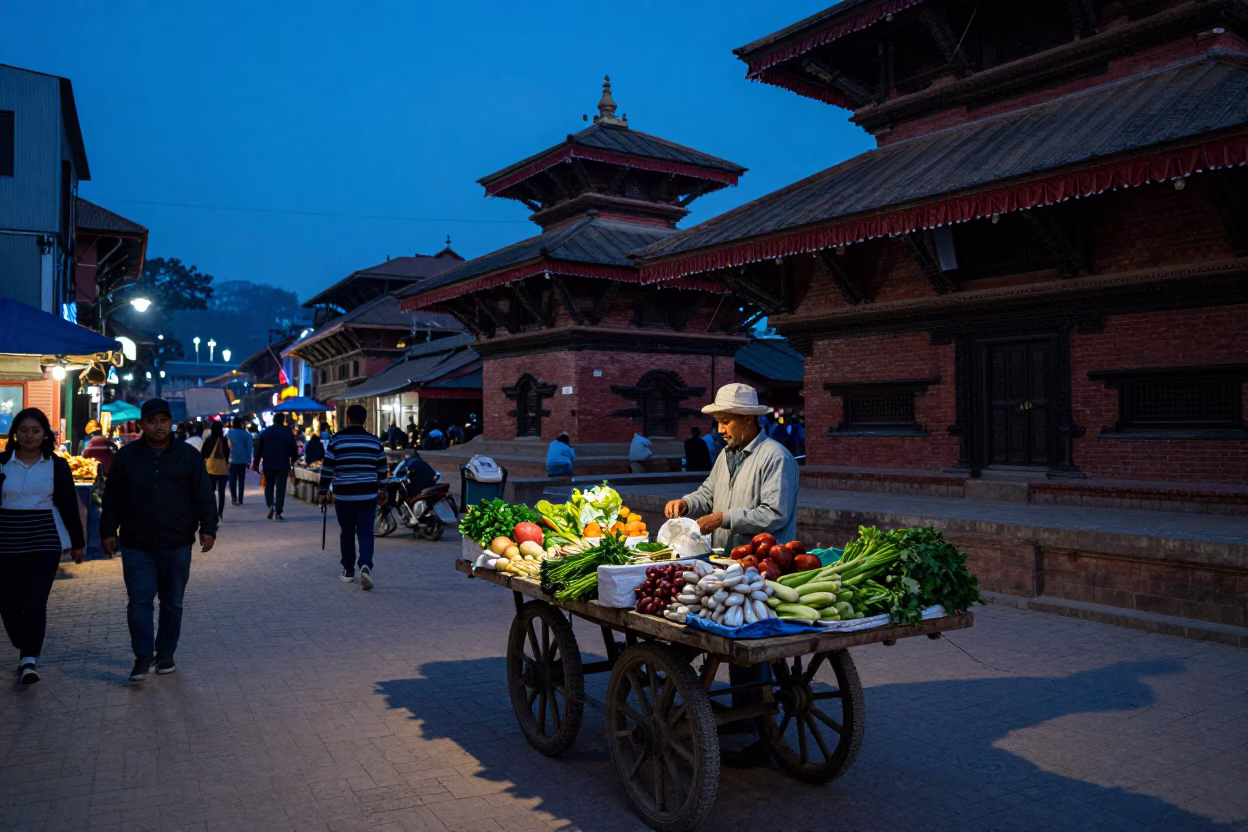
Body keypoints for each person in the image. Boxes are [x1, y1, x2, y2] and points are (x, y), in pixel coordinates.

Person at [664, 383, 799, 764]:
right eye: (719, 422)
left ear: (747, 420)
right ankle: (745, 715)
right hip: (726, 562)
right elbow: (708, 494)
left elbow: (776, 513)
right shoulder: (727, 455)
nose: (720, 429)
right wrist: (687, 503)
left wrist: (726, 517)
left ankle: (762, 728)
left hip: (764, 565)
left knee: (752, 646)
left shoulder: (775, 456)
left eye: (725, 422)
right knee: (738, 640)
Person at [100, 398, 217, 683]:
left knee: (172, 602)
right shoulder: (127, 457)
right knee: (139, 601)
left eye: (163, 420)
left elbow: (203, 493)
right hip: (136, 542)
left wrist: (208, 527)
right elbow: (113, 497)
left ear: (170, 423)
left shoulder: (188, 456)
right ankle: (142, 655)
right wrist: (107, 531)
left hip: (176, 542)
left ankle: (165, 653)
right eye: (152, 421)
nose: (158, 426)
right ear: (141, 425)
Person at [0, 408, 86, 686]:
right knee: (8, 601)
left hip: (44, 539)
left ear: (44, 433)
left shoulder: (56, 465)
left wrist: (77, 543)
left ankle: (29, 659)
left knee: (34, 600)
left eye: (35, 430)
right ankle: (24, 641)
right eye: (24, 430)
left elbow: (68, 505)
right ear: (15, 432)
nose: (29, 435)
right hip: (7, 541)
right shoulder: (2, 463)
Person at [318, 404, 387, 590]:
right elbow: (382, 470)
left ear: (347, 418)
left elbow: (327, 468)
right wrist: (384, 491)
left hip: (344, 495)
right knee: (365, 532)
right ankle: (365, 565)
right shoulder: (375, 442)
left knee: (347, 532)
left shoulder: (336, 441)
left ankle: (348, 571)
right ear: (364, 420)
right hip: (368, 494)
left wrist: (322, 491)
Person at [254, 413, 299, 520]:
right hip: (283, 464)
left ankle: (270, 505)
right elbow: (293, 448)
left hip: (268, 463)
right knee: (281, 487)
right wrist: (293, 461)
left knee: (269, 485)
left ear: (273, 420)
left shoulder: (266, 432)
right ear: (283, 420)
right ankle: (278, 511)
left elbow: (259, 449)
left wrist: (256, 463)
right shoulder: (287, 432)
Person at [201, 421, 230, 520]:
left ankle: (213, 511)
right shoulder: (224, 440)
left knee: (211, 492)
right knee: (222, 492)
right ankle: (220, 512)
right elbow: (227, 454)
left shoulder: (208, 440)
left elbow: (203, 454)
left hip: (210, 469)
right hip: (222, 469)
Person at [226, 417, 253, 505]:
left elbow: (227, 446)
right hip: (243, 460)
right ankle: (240, 499)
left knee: (232, 480)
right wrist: (249, 461)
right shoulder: (247, 434)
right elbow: (249, 449)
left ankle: (234, 498)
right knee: (241, 480)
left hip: (232, 459)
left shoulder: (229, 433)